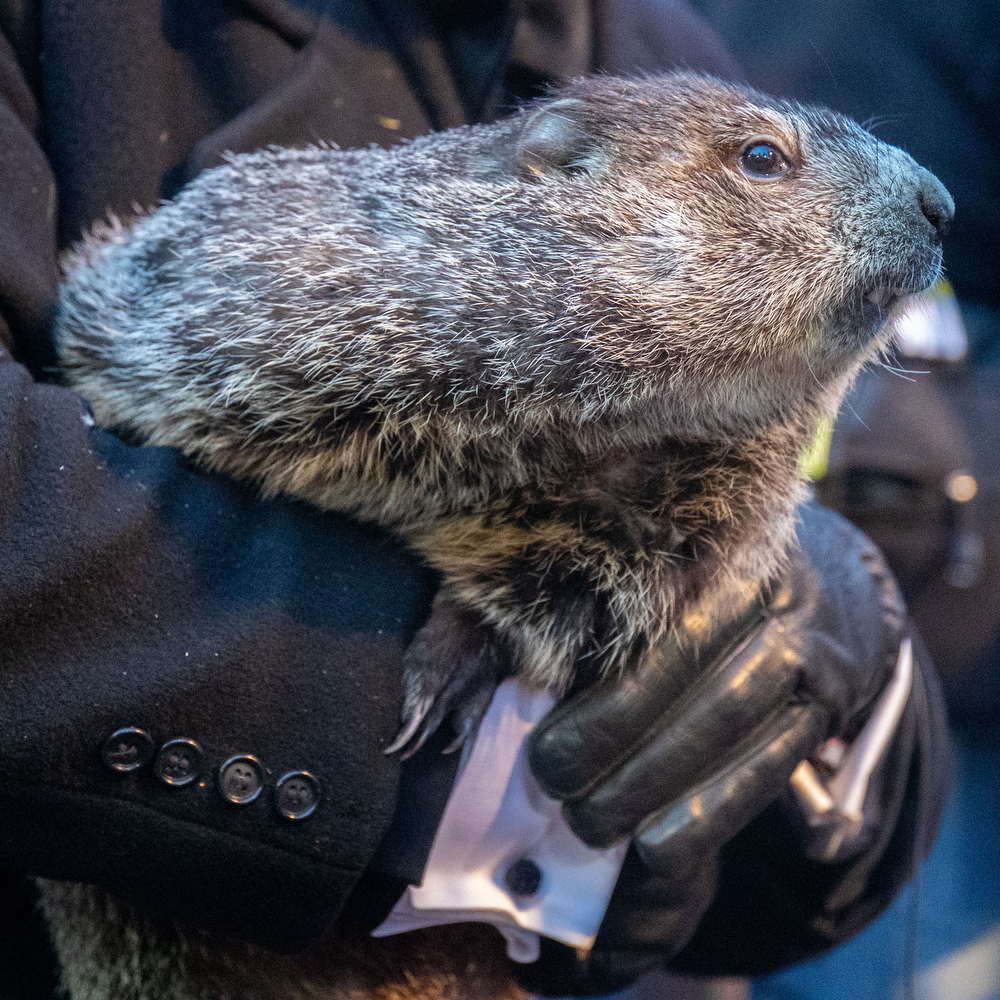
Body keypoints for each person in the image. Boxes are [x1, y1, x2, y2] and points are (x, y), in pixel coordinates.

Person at [0, 0, 949, 996]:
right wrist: (468, 778)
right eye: (762, 161)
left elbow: (797, 885)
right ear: (557, 172)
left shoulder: (652, 46)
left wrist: (861, 668)